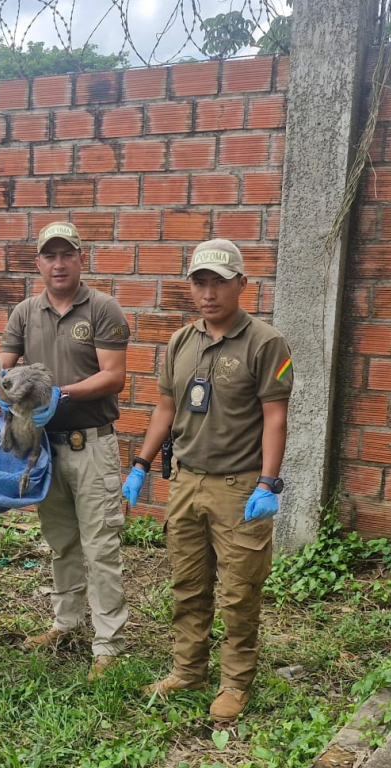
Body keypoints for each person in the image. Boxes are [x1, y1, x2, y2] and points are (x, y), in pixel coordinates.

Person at [121, 239, 293, 726]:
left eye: (220, 281)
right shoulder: (181, 341)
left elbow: (275, 417)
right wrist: (140, 463)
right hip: (186, 483)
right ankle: (187, 670)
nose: (210, 292)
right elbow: (165, 408)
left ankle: (235, 682)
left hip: (240, 488)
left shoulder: (265, 342)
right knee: (188, 585)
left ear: (243, 284)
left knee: (240, 591)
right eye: (200, 281)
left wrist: (268, 483)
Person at [0, 221, 130, 680]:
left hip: (91, 445)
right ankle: (67, 622)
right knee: (60, 542)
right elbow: (6, 366)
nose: (58, 263)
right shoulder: (24, 312)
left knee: (101, 546)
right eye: (49, 256)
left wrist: (64, 395)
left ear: (80, 259)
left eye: (67, 254)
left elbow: (114, 376)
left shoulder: (103, 308)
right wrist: (6, 391)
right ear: (38, 262)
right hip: (46, 449)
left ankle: (108, 643)